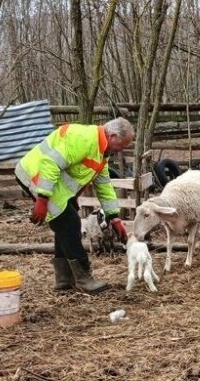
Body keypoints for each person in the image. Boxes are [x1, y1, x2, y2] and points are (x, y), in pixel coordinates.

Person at [14, 117, 133, 294]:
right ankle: (83, 278)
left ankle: (63, 281)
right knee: (70, 224)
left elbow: (104, 185)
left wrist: (114, 217)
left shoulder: (101, 153)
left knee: (65, 223)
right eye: (122, 145)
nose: (122, 150)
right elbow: (50, 163)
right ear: (113, 136)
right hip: (36, 175)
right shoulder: (84, 140)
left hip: (54, 182)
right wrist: (42, 198)